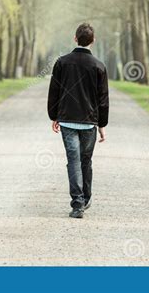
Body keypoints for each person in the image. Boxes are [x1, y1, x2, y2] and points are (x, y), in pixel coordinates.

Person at [47, 23, 109, 218]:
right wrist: (102, 125)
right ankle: (86, 197)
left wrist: (54, 115)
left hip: (67, 121)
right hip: (90, 122)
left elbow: (54, 91)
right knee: (85, 160)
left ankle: (77, 204)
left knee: (73, 161)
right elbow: (103, 99)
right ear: (93, 40)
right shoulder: (99, 66)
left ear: (75, 38)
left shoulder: (62, 63)